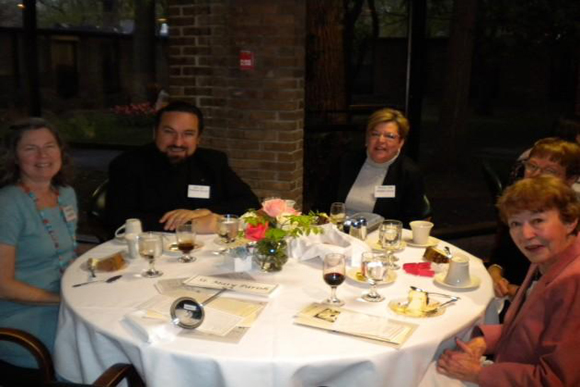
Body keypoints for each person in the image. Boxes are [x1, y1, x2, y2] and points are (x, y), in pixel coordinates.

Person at [436, 176, 580, 386]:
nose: (526, 234)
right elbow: (531, 331)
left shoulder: (573, 281)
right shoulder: (547, 258)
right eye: (515, 224)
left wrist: (479, 374)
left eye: (538, 221)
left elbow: (556, 380)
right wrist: (485, 341)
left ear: (570, 222)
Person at [105, 101, 260, 234]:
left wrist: (205, 212)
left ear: (198, 138)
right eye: (169, 132)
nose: (178, 142)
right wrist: (190, 226)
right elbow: (118, 219)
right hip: (152, 250)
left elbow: (249, 202)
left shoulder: (212, 161)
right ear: (155, 132)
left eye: (188, 134)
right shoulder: (127, 164)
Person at [0, 118, 77, 369]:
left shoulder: (65, 193)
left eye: (50, 146)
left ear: (60, 151)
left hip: (63, 298)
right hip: (18, 315)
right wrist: (64, 300)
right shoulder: (7, 204)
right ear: (15, 157)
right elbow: (3, 286)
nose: (43, 155)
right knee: (95, 343)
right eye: (30, 148)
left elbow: (65, 248)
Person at [488, 137, 580, 299]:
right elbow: (499, 258)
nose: (536, 175)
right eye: (532, 166)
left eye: (550, 171)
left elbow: (554, 297)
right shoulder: (518, 207)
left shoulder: (568, 219)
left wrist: (515, 291)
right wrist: (496, 275)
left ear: (570, 180)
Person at [317, 108, 428, 226]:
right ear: (367, 138)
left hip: (381, 240)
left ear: (400, 142)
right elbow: (321, 205)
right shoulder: (346, 162)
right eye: (375, 134)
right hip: (338, 234)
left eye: (389, 136)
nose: (381, 141)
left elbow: (411, 222)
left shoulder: (409, 173)